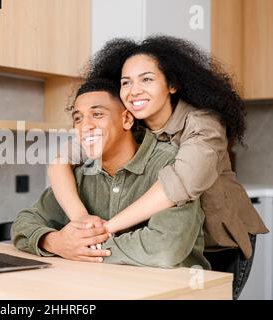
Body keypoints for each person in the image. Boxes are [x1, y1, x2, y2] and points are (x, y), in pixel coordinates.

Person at [46, 36, 268, 297]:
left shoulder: (203, 124)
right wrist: (82, 221)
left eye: (146, 79)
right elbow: (60, 162)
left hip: (215, 242)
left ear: (172, 84)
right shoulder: (130, 121)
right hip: (162, 242)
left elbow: (178, 184)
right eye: (126, 82)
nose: (134, 90)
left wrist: (104, 230)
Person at [11, 78, 210, 269]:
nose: (85, 126)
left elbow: (165, 248)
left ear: (126, 119)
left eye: (97, 114)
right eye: (78, 118)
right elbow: (24, 222)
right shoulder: (81, 174)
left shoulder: (173, 164)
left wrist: (81, 247)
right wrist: (55, 242)